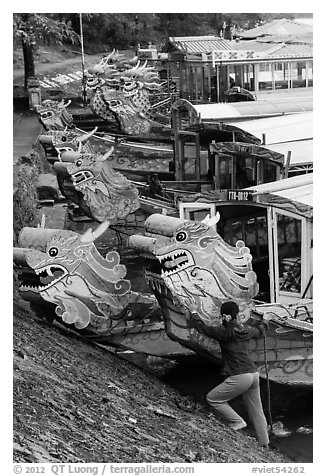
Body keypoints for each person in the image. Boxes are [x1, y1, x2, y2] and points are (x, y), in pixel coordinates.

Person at [188, 300, 270, 447]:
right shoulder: (245, 329)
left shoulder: (224, 332)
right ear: (237, 315)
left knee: (213, 399)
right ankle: (265, 444)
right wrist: (264, 321)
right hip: (253, 375)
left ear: (223, 316)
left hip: (240, 375)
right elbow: (260, 331)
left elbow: (201, 328)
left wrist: (194, 312)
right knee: (257, 411)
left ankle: (237, 422)